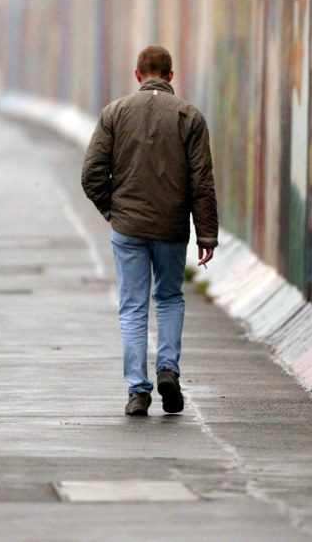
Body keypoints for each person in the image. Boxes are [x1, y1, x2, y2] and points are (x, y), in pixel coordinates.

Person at [81, 45, 218, 416]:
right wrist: (206, 235)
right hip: (172, 228)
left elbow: (91, 174)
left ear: (137, 74)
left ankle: (137, 391)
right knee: (170, 297)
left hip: (128, 228)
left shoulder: (115, 113)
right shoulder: (190, 116)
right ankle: (168, 369)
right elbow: (201, 182)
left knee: (132, 307)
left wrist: (115, 211)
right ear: (170, 76)